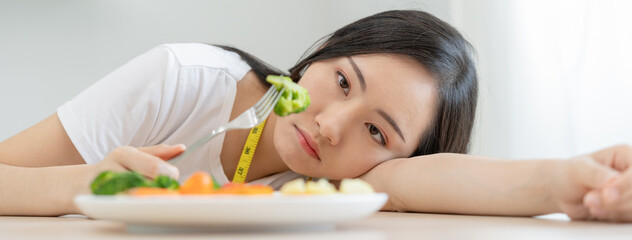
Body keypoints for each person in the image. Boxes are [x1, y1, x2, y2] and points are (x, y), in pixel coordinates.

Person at [0, 9, 630, 222]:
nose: (332, 125)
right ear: (315, 60)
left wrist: (565, 182)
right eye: (341, 81)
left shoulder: (343, 189)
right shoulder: (182, 79)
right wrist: (95, 184)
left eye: (378, 131)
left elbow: (432, 180)